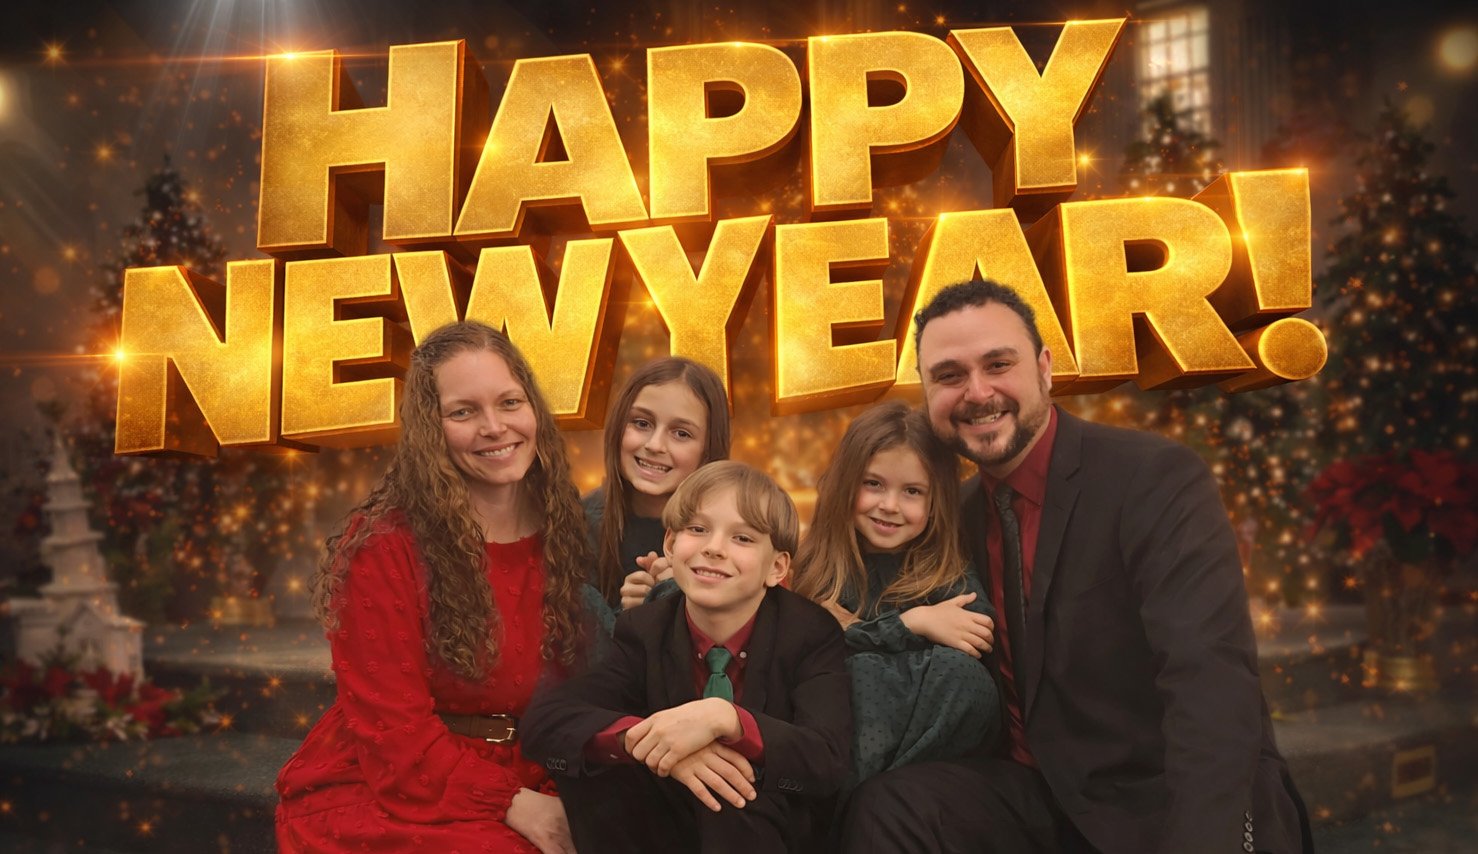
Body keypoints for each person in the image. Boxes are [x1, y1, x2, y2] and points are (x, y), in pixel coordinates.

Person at [841, 280, 1312, 854]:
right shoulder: (948, 518)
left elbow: (1209, 682)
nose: (978, 391)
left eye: (998, 364)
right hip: (1038, 798)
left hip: (1162, 797)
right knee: (889, 806)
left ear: (1044, 368)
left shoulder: (1153, 478)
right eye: (949, 375)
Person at [275, 321, 604, 854]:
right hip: (399, 781)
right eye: (463, 411)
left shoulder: (567, 528)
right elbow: (393, 735)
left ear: (535, 410)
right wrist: (517, 805)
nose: (495, 427)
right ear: (432, 429)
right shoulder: (384, 546)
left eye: (510, 402)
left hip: (537, 766)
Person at [522, 461, 852, 853]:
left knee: (730, 792)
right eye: (697, 529)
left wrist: (726, 719)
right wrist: (655, 746)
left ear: (777, 567)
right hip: (669, 823)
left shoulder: (810, 632)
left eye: (742, 538)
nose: (713, 548)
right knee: (600, 774)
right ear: (670, 545)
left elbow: (828, 758)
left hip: (768, 827)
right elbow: (547, 720)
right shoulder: (643, 629)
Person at [792, 399, 999, 789]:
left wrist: (858, 635)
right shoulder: (816, 567)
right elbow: (807, 659)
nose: (889, 506)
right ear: (845, 482)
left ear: (936, 499)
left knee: (958, 675)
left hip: (928, 758)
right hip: (839, 747)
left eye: (912, 492)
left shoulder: (947, 572)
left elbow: (973, 650)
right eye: (873, 484)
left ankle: (875, 795)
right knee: (851, 675)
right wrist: (912, 624)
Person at [583, 357, 731, 612]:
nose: (655, 445)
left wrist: (688, 601)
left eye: (681, 433)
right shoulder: (574, 526)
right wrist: (629, 616)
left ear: (708, 449)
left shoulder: (735, 536)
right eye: (642, 423)